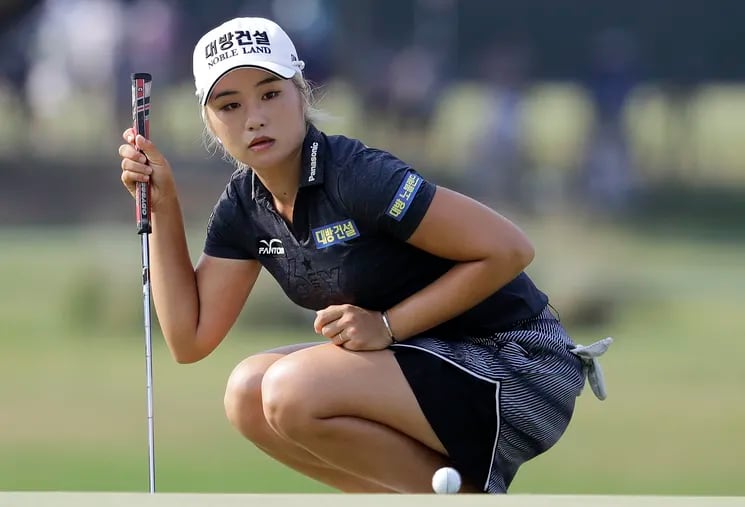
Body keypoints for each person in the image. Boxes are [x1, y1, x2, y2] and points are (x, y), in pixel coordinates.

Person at [117, 17, 611, 494]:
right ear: (208, 120)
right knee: (247, 394)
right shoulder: (245, 206)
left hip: (519, 366)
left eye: (270, 93)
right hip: (426, 366)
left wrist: (388, 326)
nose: (254, 118)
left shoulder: (357, 175)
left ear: (301, 92)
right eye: (229, 106)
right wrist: (164, 204)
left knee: (291, 390)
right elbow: (190, 338)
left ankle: (462, 500)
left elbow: (509, 250)